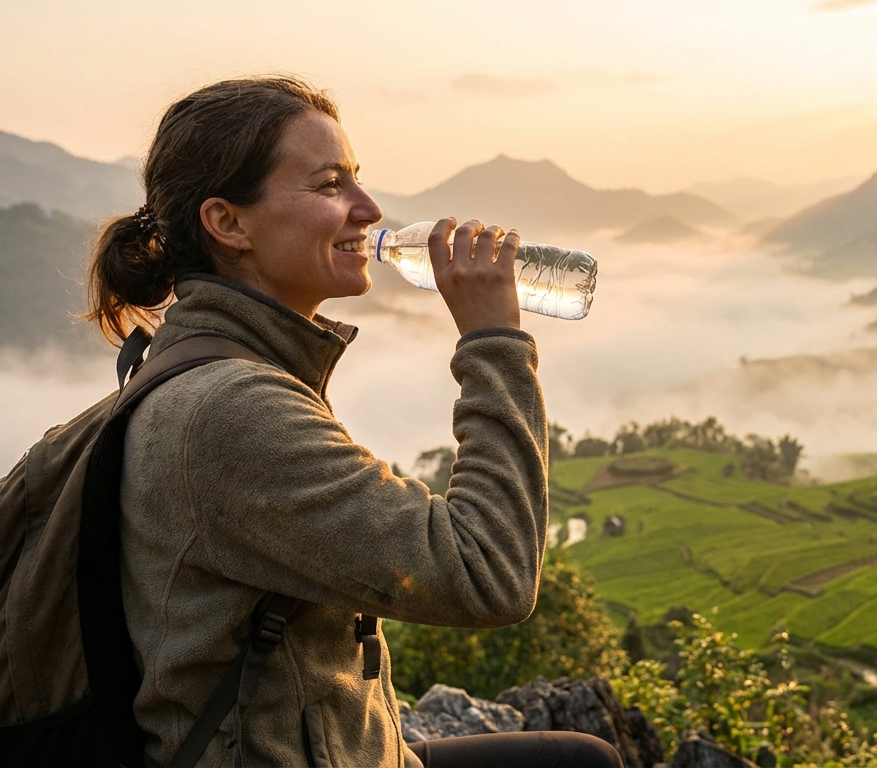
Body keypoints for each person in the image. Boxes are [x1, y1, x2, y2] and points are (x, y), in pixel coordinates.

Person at [87, 76, 622, 767]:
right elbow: (491, 573)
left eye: (358, 182)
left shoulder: (201, 364)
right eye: (329, 185)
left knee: (573, 757)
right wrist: (493, 343)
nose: (368, 210)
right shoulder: (234, 413)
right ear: (228, 223)